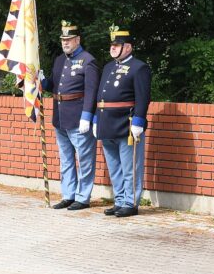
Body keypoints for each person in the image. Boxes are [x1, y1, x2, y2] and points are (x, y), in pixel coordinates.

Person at [93, 25, 151, 218]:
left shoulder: (139, 67)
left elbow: (143, 97)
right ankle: (119, 200)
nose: (113, 48)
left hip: (126, 124)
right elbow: (100, 96)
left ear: (128, 47)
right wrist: (95, 119)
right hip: (106, 123)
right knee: (114, 167)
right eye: (112, 45)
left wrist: (139, 121)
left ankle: (130, 202)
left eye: (117, 45)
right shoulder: (108, 67)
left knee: (130, 167)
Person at [42, 21, 100, 210]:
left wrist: (87, 115)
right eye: (63, 39)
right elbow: (53, 85)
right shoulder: (60, 60)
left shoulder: (88, 60)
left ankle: (82, 197)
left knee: (84, 159)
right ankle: (68, 195)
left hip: (78, 117)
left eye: (69, 39)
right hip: (60, 117)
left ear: (77, 40)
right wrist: (42, 80)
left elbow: (92, 91)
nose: (65, 42)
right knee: (66, 159)